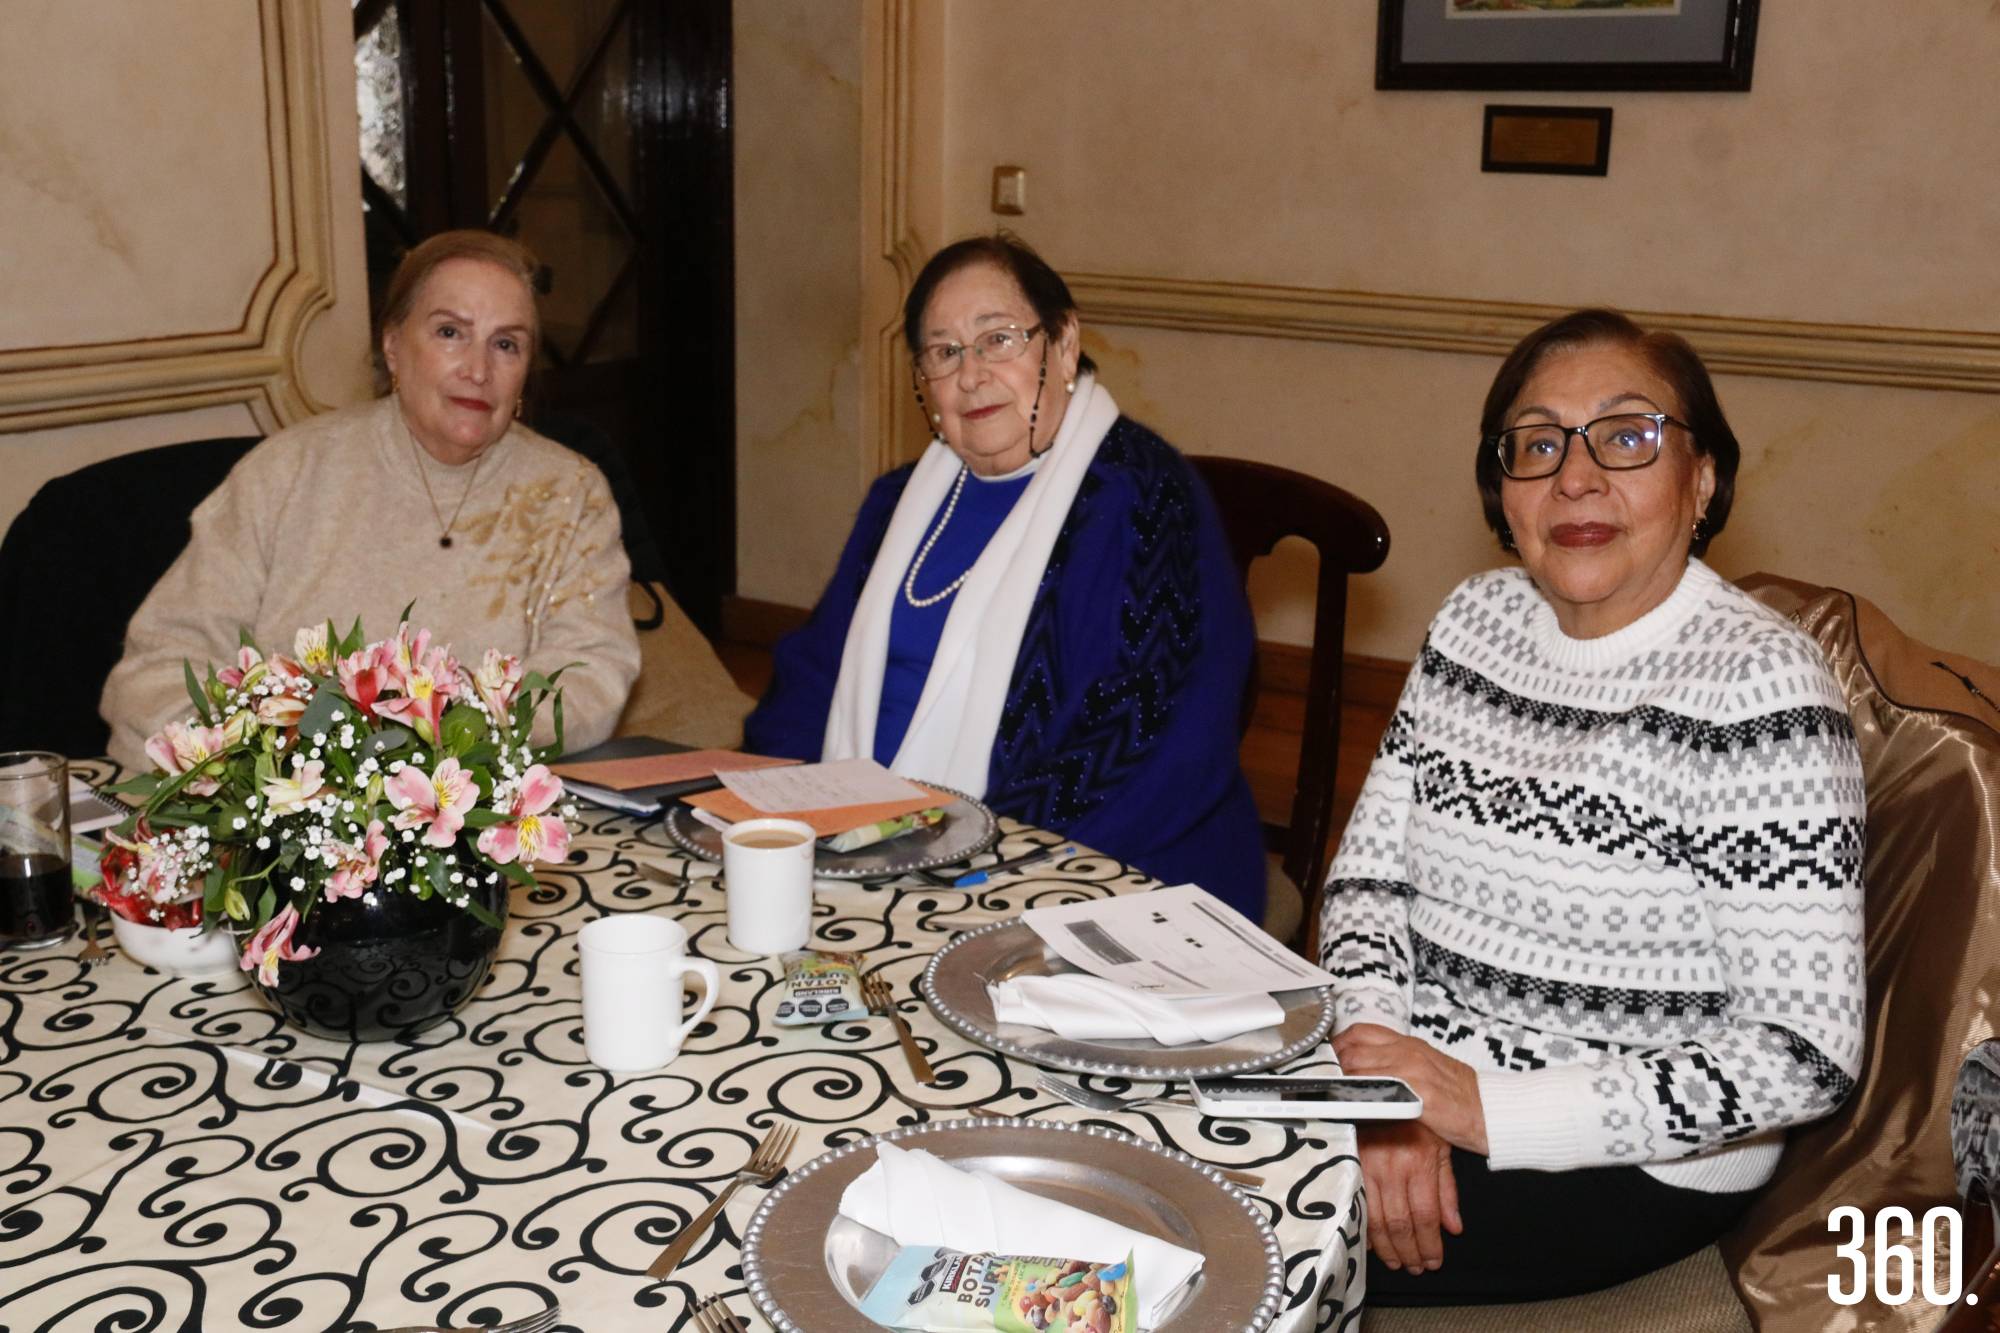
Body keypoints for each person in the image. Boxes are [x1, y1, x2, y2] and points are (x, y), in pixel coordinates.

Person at [1319, 309, 1866, 1303]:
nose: (1574, 476)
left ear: (1700, 479)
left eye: (1625, 437)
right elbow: (1366, 882)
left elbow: (1802, 1055)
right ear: (1502, 489)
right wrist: (1380, 1087)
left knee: (1217, 1223)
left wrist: (1486, 1109)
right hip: (1417, 1077)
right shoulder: (1472, 621)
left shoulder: (1758, 689)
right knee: (1125, 1121)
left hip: (1632, 1156)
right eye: (1535, 444)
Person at [744, 234, 1266, 918]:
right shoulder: (899, 502)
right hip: (876, 850)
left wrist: (962, 854)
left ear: (1064, 342)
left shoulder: (1145, 501)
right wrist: (774, 813)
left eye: (998, 339)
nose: (971, 373)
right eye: (944, 351)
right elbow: (813, 676)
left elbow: (1152, 737)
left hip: (1100, 873)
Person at [102, 231, 642, 766]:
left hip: (477, 806)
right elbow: (162, 669)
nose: (479, 371)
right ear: (393, 348)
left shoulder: (570, 493)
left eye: (506, 344)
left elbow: (589, 677)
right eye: (450, 332)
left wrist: (436, 747)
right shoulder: (287, 473)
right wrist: (283, 771)